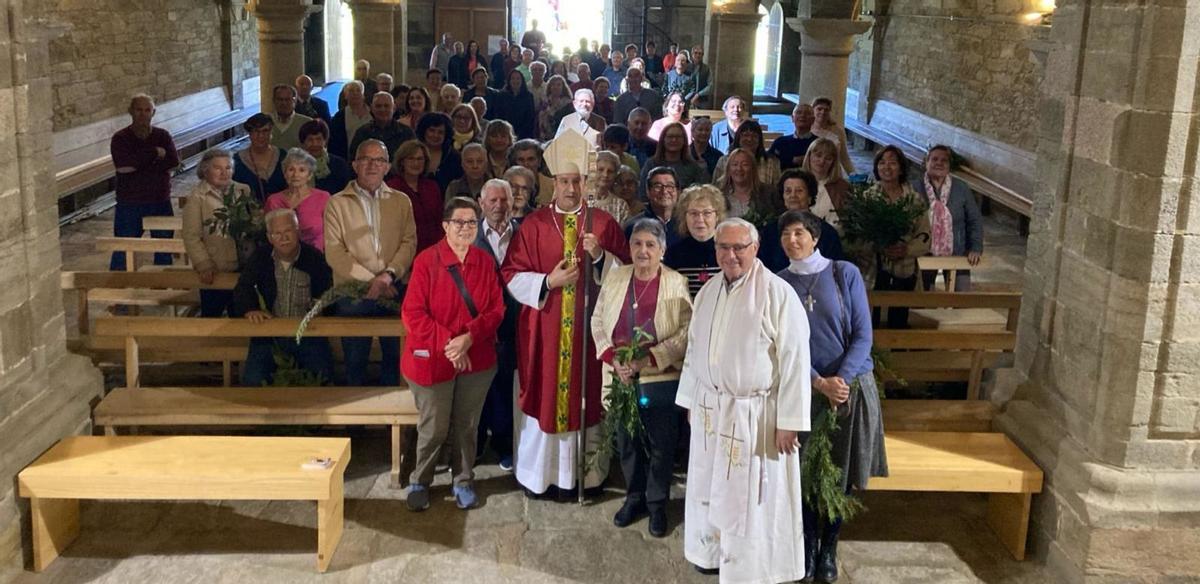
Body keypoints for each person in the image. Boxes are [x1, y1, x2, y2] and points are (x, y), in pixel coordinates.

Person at [675, 217, 812, 582]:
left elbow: (796, 360)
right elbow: (694, 348)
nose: (731, 255)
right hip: (711, 409)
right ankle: (710, 551)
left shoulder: (777, 293)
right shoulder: (707, 291)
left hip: (756, 415)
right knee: (707, 481)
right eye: (724, 247)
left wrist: (790, 421)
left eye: (739, 247)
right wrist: (690, 397)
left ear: (755, 249)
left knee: (751, 495)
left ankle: (751, 566)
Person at [499, 159, 630, 499]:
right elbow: (511, 274)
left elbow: (627, 274)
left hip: (588, 333)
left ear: (585, 183)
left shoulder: (602, 223)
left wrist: (601, 256)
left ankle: (584, 478)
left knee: (583, 397)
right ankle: (539, 477)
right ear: (552, 184)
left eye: (577, 181)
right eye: (563, 181)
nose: (571, 189)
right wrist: (548, 281)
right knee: (545, 394)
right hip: (544, 330)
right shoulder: (534, 224)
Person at [774, 209, 887, 583]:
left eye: (800, 233)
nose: (793, 240)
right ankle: (806, 548)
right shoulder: (778, 283)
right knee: (804, 473)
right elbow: (780, 345)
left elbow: (863, 336)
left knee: (838, 474)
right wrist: (817, 381)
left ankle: (830, 549)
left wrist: (839, 379)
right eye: (787, 234)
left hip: (848, 389)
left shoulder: (843, 273)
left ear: (815, 237)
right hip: (803, 389)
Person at [401, 196, 505, 511]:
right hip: (431, 357)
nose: (465, 228)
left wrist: (469, 339)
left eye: (471, 222)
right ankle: (420, 479)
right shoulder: (426, 261)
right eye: (458, 222)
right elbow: (413, 314)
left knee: (467, 425)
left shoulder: (485, 261)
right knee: (434, 426)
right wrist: (451, 343)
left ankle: (463, 480)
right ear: (445, 225)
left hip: (476, 358)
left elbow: (496, 309)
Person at [592, 219, 692, 538]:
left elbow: (687, 332)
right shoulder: (616, 277)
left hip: (658, 378)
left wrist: (649, 358)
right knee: (627, 442)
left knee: (661, 445)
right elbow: (597, 320)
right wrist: (613, 357)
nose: (643, 250)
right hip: (620, 377)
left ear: (662, 250)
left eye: (650, 244)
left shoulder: (675, 282)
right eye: (637, 244)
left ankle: (657, 503)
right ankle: (633, 498)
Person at [324, 139, 418, 386]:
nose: (372, 165)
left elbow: (409, 243)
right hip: (352, 292)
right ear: (355, 164)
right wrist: (372, 282)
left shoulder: (401, 201)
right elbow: (335, 253)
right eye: (366, 159)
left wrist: (387, 276)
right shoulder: (336, 203)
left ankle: (392, 421)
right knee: (354, 361)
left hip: (394, 288)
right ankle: (355, 424)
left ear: (388, 167)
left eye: (379, 160)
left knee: (395, 359)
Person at [234, 208, 335, 386]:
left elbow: (329, 294)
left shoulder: (315, 258)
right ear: (269, 237)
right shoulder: (260, 257)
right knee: (252, 382)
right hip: (269, 333)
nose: (284, 238)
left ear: (298, 231)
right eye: (277, 233)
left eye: (288, 231)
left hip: (308, 333)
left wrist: (320, 307)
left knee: (324, 381)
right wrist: (251, 309)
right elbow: (243, 287)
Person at [473, 179, 522, 471]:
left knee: (506, 388)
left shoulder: (524, 234)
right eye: (492, 201)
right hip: (479, 326)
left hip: (514, 325)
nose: (498, 206)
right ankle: (476, 443)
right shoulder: (470, 235)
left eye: (504, 200)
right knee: (476, 391)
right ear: (481, 203)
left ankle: (504, 444)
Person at [853, 146, 930, 328]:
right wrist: (878, 246)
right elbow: (857, 235)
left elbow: (924, 234)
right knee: (871, 321)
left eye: (892, 162)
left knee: (899, 319)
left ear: (901, 168)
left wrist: (906, 249)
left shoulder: (914, 199)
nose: (887, 167)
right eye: (882, 162)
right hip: (874, 267)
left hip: (904, 268)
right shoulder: (867, 198)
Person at [109, 94, 179, 271]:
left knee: (164, 248)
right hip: (130, 203)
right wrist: (154, 153)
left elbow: (173, 162)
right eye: (139, 110)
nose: (143, 114)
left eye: (147, 110)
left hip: (159, 201)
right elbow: (124, 166)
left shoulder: (162, 135)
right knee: (123, 250)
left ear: (153, 113)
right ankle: (120, 291)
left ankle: (163, 291)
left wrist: (138, 162)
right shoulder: (121, 138)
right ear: (131, 112)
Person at [182, 149, 252, 316]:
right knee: (213, 313)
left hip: (242, 265)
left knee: (241, 313)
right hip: (215, 268)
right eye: (217, 168)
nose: (224, 173)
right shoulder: (197, 197)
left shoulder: (243, 190)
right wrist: (203, 264)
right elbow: (191, 236)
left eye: (228, 168)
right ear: (205, 170)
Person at [916, 145, 983, 291]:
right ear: (926, 162)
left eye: (944, 160)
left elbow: (975, 220)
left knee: (961, 295)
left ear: (949, 165)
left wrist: (975, 248)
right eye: (934, 159)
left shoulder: (961, 188)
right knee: (923, 299)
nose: (939, 163)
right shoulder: (915, 187)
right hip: (925, 251)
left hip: (957, 250)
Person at [759, 169, 843, 272]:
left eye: (799, 191)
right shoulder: (769, 232)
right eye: (788, 191)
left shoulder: (827, 233)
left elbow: (835, 271)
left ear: (810, 196)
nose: (793, 195)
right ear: (783, 197)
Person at [265, 148, 332, 252]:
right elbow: (269, 236)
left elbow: (333, 233)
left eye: (302, 170)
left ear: (309, 175)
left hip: (318, 257)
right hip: (284, 257)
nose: (295, 175)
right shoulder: (273, 201)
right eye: (291, 169)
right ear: (284, 173)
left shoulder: (323, 197)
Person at [664, 184, 725, 295]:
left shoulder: (728, 248)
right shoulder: (674, 253)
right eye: (693, 213)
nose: (700, 219)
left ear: (717, 216)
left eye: (707, 213)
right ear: (684, 217)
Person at [386, 141, 444, 253]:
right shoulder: (391, 188)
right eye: (411, 159)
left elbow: (440, 220)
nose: (416, 163)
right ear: (402, 162)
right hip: (404, 252)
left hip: (434, 251)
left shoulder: (432, 187)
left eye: (419, 159)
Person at [638, 123, 709, 198]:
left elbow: (699, 195)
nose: (674, 140)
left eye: (678, 137)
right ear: (663, 140)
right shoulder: (651, 164)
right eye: (670, 136)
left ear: (684, 140)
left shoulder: (693, 167)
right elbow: (643, 193)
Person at [234, 113, 287, 203]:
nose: (260, 136)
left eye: (265, 131)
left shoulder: (283, 156)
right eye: (256, 131)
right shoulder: (236, 161)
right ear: (249, 134)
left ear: (271, 132)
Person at [349, 92, 416, 162]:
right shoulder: (362, 133)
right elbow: (354, 161)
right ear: (371, 108)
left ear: (394, 108)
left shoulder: (406, 133)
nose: (382, 109)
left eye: (386, 106)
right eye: (378, 106)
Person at [713, 120, 781, 188]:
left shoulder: (771, 163)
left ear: (759, 140)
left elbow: (777, 191)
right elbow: (715, 189)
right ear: (738, 138)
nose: (749, 139)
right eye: (745, 135)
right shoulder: (724, 162)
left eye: (754, 136)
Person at [802, 137, 850, 230]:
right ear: (809, 156)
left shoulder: (842, 187)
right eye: (818, 155)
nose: (822, 161)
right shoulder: (797, 181)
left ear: (833, 162)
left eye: (828, 158)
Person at [720, 147, 781, 220]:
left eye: (745, 164)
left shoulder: (769, 193)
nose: (739, 169)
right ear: (728, 169)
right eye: (735, 164)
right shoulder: (719, 196)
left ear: (753, 168)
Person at [630, 167, 683, 248]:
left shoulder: (686, 224)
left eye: (669, 186)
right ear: (648, 191)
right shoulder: (633, 225)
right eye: (657, 186)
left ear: (678, 192)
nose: (664, 191)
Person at [297, 119, 352, 197]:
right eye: (310, 140)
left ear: (325, 141)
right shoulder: (296, 166)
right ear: (303, 143)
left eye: (318, 139)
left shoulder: (339, 164)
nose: (315, 144)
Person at [417, 112, 462, 192]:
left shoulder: (454, 157)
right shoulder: (411, 152)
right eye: (432, 130)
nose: (435, 135)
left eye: (440, 132)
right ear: (424, 131)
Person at [812, 96, 856, 176]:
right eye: (819, 109)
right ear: (813, 110)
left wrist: (853, 174)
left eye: (826, 110)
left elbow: (844, 156)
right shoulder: (808, 129)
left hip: (833, 172)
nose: (823, 112)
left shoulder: (837, 131)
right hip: (813, 172)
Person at [329, 81, 372, 160]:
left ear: (363, 95)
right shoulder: (339, 118)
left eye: (358, 90)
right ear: (345, 96)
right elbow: (334, 144)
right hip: (348, 160)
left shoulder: (373, 114)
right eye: (351, 91)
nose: (355, 93)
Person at [769, 103, 818, 172]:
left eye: (807, 113)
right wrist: (793, 160)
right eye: (799, 112)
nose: (803, 115)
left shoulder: (818, 143)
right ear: (792, 118)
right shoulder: (780, 142)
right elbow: (770, 162)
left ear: (813, 120)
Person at [509, 139, 557, 206]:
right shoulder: (507, 186)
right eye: (521, 160)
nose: (526, 164)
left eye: (531, 159)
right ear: (514, 162)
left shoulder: (553, 186)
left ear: (539, 161)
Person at [587, 151, 630, 224]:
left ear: (615, 175)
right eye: (600, 170)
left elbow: (621, 234)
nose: (605, 175)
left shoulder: (621, 206)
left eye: (610, 171)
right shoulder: (578, 200)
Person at [497, 69, 537, 140]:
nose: (515, 81)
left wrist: (520, 134)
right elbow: (499, 115)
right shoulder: (501, 96)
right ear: (509, 81)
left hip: (524, 134)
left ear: (522, 81)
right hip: (505, 133)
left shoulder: (528, 96)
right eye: (513, 78)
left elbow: (530, 117)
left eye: (518, 78)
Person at [538, 75, 573, 141]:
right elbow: (539, 121)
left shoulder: (568, 104)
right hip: (545, 138)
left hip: (563, 137)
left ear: (563, 87)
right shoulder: (544, 103)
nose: (555, 87)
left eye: (558, 85)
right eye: (553, 85)